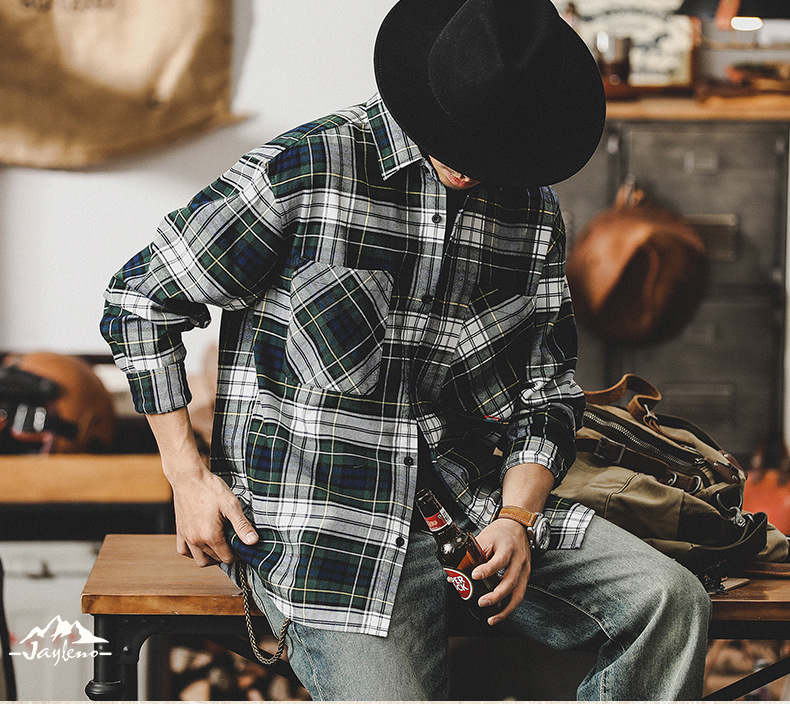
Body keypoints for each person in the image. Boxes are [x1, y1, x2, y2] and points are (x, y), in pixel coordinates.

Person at [101, 0, 712, 699]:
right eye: (462, 141)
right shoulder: (307, 170)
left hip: (475, 503)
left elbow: (548, 391)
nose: (474, 169)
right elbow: (139, 299)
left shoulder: (532, 212)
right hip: (329, 529)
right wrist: (186, 475)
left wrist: (517, 517)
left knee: (672, 603)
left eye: (495, 150)